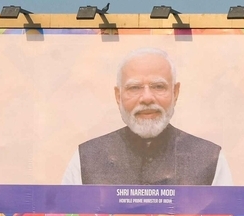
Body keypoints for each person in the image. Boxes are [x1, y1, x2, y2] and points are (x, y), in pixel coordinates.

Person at [63, 48, 232, 186]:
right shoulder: (85, 159)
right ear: (118, 95)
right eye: (134, 88)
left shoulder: (210, 159)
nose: (147, 98)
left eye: (158, 86)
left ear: (175, 92)